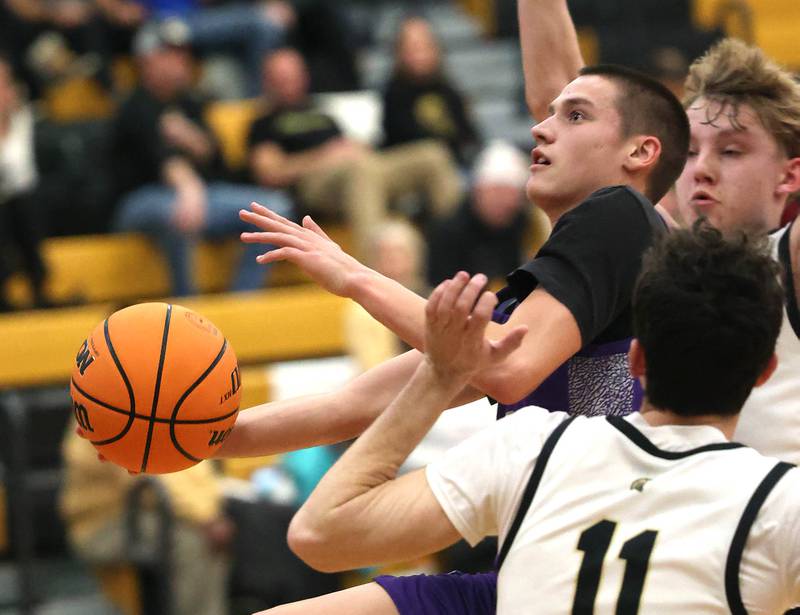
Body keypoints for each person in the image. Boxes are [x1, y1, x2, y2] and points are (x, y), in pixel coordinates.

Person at [220, 56, 688, 612]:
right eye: (550, 113)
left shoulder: (620, 213)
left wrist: (354, 276)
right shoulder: (563, 293)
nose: (541, 128)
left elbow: (506, 370)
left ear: (640, 152)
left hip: (603, 583)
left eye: (576, 116)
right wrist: (199, 437)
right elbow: (359, 401)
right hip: (535, 575)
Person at [274, 225, 799, 615]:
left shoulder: (534, 445)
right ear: (764, 373)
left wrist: (440, 375)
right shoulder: (780, 501)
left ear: (636, 359)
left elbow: (319, 534)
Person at [516, 1, 800, 464]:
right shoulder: (651, 243)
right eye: (688, 152)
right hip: (672, 518)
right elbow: (564, 102)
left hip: (774, 525)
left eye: (730, 151)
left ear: (789, 176)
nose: (702, 170)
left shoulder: (788, 257)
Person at [111, 21, 293, 296]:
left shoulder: (191, 104)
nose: (181, 61)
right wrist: (188, 186)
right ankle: (187, 305)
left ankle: (242, 302)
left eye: (182, 54)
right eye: (170, 54)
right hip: (140, 200)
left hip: (202, 196)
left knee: (274, 207)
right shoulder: (135, 105)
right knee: (176, 211)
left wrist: (192, 141)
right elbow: (164, 160)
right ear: (147, 60)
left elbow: (217, 160)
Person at [247, 47, 463, 258]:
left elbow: (349, 147)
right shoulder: (264, 123)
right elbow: (270, 172)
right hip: (315, 183)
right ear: (268, 81)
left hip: (360, 167)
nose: (289, 83)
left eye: (294, 76)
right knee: (361, 170)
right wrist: (325, 156)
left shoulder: (322, 114)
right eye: (282, 78)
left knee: (433, 155)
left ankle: (456, 258)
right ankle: (379, 275)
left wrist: (357, 149)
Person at [426, 139, 550, 287]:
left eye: (509, 194)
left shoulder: (528, 227)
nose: (502, 201)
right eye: (495, 192)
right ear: (477, 191)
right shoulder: (448, 231)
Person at [382, 16, 480, 166]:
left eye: (425, 46)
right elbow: (402, 138)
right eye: (413, 47)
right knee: (434, 156)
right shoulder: (394, 94)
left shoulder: (449, 91)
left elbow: (470, 135)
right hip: (413, 165)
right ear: (399, 52)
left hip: (457, 161)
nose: (420, 54)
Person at [0, 54, 48, 311]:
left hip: (22, 202)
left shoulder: (25, 122)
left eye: (4, 83)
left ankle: (39, 288)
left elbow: (24, 174)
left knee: (24, 205)